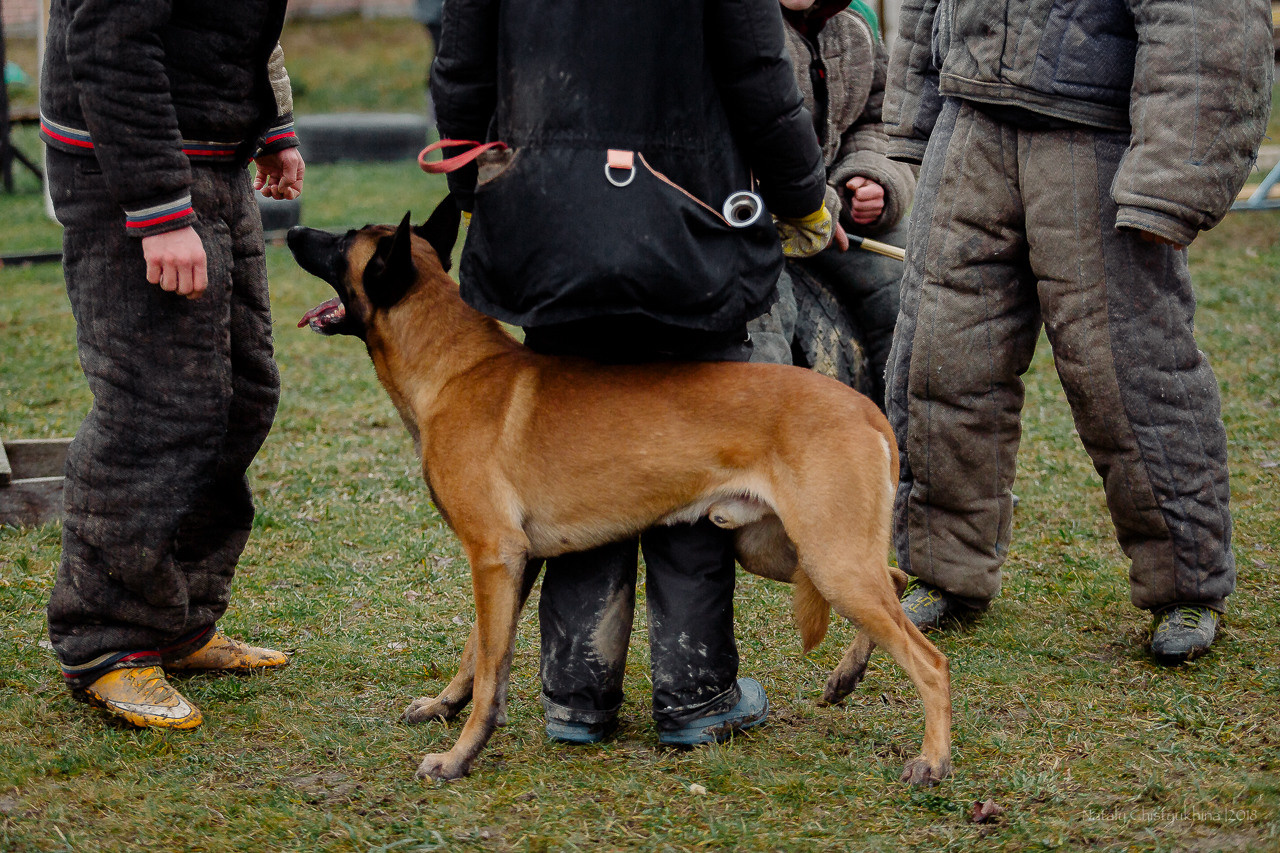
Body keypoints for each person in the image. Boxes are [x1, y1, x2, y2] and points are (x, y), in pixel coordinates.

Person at [431, 0, 833, 745]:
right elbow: (755, 69)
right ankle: (694, 693)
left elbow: (461, 70)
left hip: (549, 223)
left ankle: (578, 694)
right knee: (693, 453)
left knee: (573, 456)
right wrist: (805, 196)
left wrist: (484, 198)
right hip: (688, 221)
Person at [881, 0, 1273, 662]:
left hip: (1094, 139)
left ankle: (1187, 582)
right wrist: (913, 117)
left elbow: (1208, 23)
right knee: (938, 358)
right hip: (969, 124)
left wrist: (1172, 182)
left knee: (1127, 375)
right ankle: (943, 566)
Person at [39, 0, 305, 728]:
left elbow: (244, 24)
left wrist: (272, 123)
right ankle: (109, 638)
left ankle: (173, 619)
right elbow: (110, 40)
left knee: (244, 394)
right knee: (158, 406)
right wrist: (159, 210)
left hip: (214, 154)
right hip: (130, 167)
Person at [749, 0, 916, 412]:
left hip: (830, 207)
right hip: (751, 213)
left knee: (912, 291)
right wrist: (809, 203)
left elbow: (879, 118)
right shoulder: (732, 21)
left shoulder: (855, 19)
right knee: (761, 323)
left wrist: (872, 176)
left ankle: (902, 443)